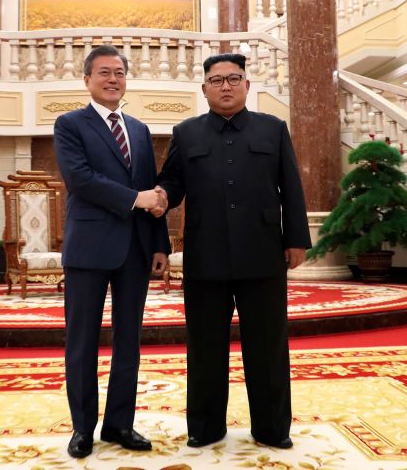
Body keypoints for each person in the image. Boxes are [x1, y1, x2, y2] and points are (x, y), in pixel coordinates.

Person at [155, 53, 310, 450]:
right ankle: (205, 427)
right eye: (217, 80)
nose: (226, 86)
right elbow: (171, 186)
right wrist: (158, 200)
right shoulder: (186, 133)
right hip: (205, 258)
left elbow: (290, 187)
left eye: (234, 78)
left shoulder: (272, 129)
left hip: (263, 254)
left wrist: (295, 240)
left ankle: (273, 429)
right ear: (204, 88)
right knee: (205, 346)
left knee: (269, 345)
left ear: (246, 84)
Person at [53, 44, 170, 459]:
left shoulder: (138, 128)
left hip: (136, 251)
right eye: (104, 72)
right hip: (88, 248)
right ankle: (82, 428)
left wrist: (160, 244)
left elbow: (151, 184)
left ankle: (120, 424)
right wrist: (136, 200)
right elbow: (80, 180)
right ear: (87, 79)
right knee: (81, 342)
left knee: (129, 342)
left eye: (119, 72)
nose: (112, 79)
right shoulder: (69, 124)